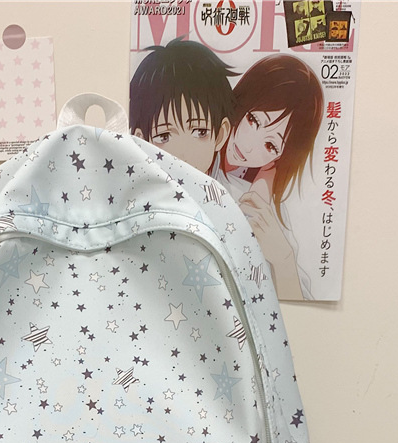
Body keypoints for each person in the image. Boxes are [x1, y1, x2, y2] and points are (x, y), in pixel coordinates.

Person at [216, 55, 323, 299]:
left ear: (281, 157)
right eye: (254, 120)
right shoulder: (201, 144)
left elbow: (297, 300)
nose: (248, 146)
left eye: (270, 145)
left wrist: (284, 258)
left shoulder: (265, 207)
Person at [130, 38, 237, 175]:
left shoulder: (236, 189)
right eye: (164, 137)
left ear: (220, 135)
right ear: (141, 141)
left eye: (200, 132)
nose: (184, 155)